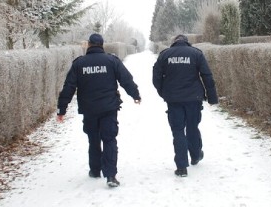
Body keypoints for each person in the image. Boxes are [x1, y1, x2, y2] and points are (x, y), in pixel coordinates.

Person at [57, 33, 141, 188]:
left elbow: (69, 87)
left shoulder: (79, 64)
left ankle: (95, 170)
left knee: (93, 139)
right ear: (102, 45)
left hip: (89, 109)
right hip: (109, 108)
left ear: (89, 44)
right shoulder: (112, 61)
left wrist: (62, 109)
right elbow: (126, 80)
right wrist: (135, 95)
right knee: (109, 139)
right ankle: (110, 175)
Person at [152, 34, 219, 177]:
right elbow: (207, 75)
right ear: (187, 42)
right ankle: (195, 155)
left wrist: (163, 92)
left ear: (174, 42)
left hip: (174, 100)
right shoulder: (196, 54)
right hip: (194, 99)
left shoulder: (165, 55)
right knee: (192, 127)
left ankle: (181, 167)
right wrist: (212, 97)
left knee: (178, 131)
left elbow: (156, 77)